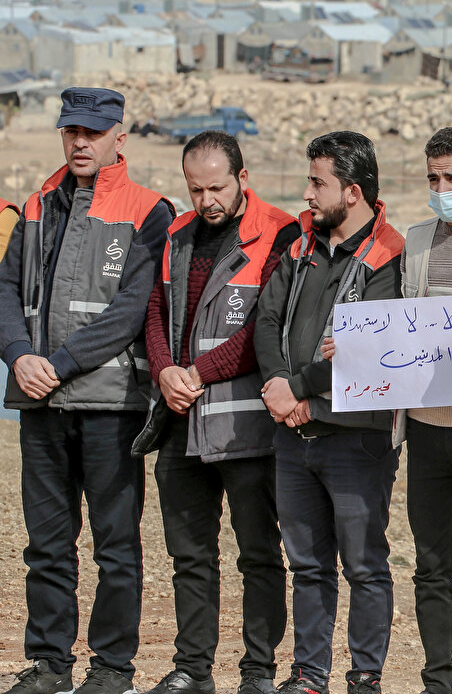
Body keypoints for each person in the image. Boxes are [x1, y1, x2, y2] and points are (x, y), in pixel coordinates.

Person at [328, 125, 452, 694]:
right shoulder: (413, 242)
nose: (442, 188)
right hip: (425, 429)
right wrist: (353, 347)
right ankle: (437, 681)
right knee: (430, 566)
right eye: (434, 178)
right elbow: (391, 325)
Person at [0, 88, 173, 694]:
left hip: (110, 404)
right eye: (72, 130)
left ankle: (112, 669)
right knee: (46, 546)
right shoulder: (36, 204)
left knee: (116, 546)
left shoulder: (150, 211)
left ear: (119, 138)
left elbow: (132, 310)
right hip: (41, 402)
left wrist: (58, 362)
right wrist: (19, 357)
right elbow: (5, 293)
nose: (81, 142)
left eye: (94, 132)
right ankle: (50, 664)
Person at [139, 131, 299, 694]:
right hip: (180, 425)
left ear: (243, 179)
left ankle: (258, 672)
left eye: (216, 187)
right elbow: (156, 311)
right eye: (195, 188)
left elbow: (267, 326)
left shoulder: (280, 232)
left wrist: (198, 374)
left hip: (246, 430)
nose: (206, 200)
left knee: (258, 554)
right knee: (190, 557)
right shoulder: (178, 233)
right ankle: (191, 669)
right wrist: (164, 372)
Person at [253, 131, 405, 694]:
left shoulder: (392, 255)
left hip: (356, 438)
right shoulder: (298, 244)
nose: (308, 194)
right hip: (294, 436)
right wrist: (277, 384)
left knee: (364, 564)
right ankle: (308, 674)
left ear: (354, 191)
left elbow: (370, 350)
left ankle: (365, 674)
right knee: (307, 565)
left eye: (318, 183)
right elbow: (267, 320)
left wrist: (298, 391)